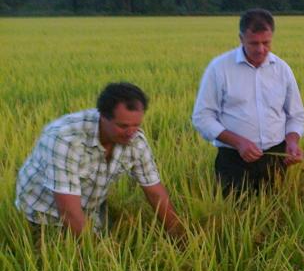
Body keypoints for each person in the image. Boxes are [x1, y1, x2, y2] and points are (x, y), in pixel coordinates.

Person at [15, 82, 184, 238]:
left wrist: (180, 235)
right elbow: (68, 211)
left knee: (115, 237)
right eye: (123, 126)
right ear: (103, 116)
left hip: (88, 207)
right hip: (43, 212)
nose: (131, 132)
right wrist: (100, 257)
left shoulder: (135, 140)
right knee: (65, 259)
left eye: (136, 125)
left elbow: (155, 193)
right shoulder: (66, 139)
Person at [192, 8, 304, 194]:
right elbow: (202, 117)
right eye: (254, 43)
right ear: (241, 38)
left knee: (276, 212)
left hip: (275, 158)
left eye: (266, 43)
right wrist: (238, 142)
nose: (261, 49)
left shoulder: (282, 69)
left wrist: (292, 141)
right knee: (233, 216)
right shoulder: (219, 68)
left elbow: (296, 115)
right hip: (233, 160)